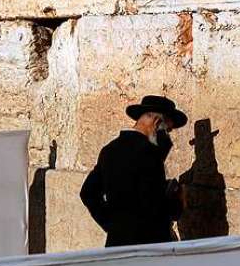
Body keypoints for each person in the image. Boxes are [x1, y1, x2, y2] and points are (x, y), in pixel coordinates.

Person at [80, 95, 187, 248]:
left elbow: (88, 193)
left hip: (117, 243)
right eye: (168, 130)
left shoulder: (110, 149)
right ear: (157, 123)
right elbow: (154, 206)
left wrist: (113, 226)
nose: (168, 135)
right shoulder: (149, 154)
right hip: (147, 248)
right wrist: (178, 202)